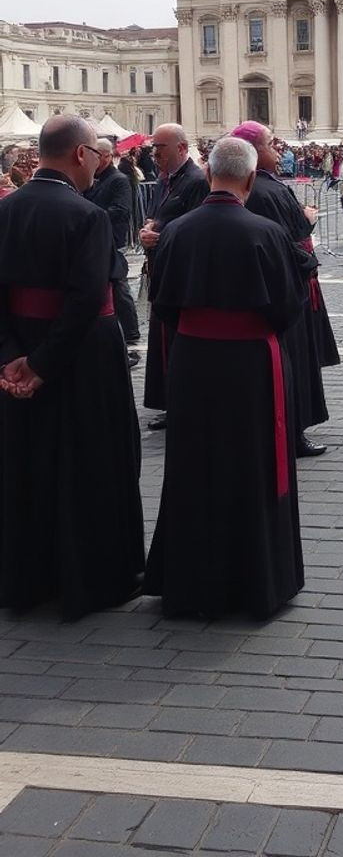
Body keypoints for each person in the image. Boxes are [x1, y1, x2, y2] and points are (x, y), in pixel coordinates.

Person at [144, 137, 307, 619]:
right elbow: (288, 308)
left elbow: (162, 306)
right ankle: (255, 584)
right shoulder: (267, 233)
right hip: (252, 366)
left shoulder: (175, 232)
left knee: (194, 465)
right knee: (253, 466)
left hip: (192, 361)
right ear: (251, 178)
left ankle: (191, 584)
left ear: (209, 173)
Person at [0, 115, 144, 618]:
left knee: (27, 464)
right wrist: (42, 364)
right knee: (90, 464)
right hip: (84, 358)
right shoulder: (88, 216)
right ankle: (94, 579)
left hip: (20, 352)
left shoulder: (6, 208)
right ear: (82, 154)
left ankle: (29, 578)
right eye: (97, 156)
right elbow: (85, 299)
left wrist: (13, 359)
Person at [232, 122, 339, 457]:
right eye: (271, 144)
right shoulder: (264, 192)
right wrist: (307, 224)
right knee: (294, 360)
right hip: (290, 284)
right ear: (253, 151)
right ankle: (293, 431)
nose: (278, 150)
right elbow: (282, 240)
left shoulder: (263, 187)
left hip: (290, 281)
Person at [141, 124, 209, 429]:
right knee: (163, 340)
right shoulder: (163, 179)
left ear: (181, 148)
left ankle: (182, 402)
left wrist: (161, 234)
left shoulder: (196, 181)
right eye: (153, 148)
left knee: (178, 341)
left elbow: (196, 226)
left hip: (180, 273)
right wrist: (148, 227)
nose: (154, 155)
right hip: (161, 269)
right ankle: (169, 401)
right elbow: (160, 216)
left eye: (160, 148)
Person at [85, 139, 141, 368]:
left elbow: (121, 211)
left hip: (112, 240)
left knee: (118, 284)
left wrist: (89, 216)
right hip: (97, 239)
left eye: (96, 155)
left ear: (107, 156)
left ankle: (130, 333)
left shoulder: (118, 180)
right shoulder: (93, 178)